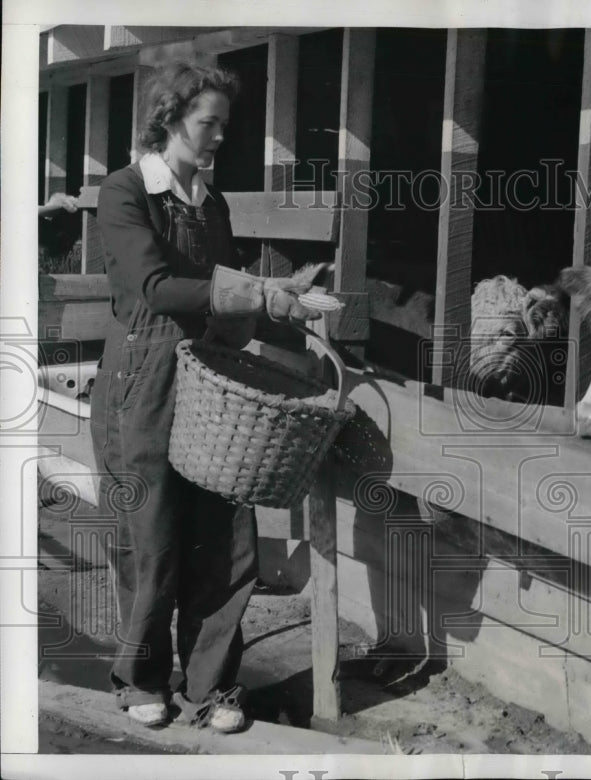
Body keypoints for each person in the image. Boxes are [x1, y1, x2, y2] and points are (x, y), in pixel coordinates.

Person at [91, 61, 324, 732]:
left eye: (225, 123)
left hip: (208, 384)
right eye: (208, 123)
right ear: (168, 120)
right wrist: (252, 291)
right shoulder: (126, 192)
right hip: (144, 380)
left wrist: (283, 304)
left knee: (224, 537)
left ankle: (214, 684)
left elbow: (221, 300)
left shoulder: (211, 203)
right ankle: (140, 678)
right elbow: (158, 288)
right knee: (151, 535)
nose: (219, 135)